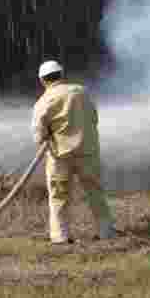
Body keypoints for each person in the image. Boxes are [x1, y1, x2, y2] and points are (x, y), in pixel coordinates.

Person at [31, 60, 116, 244]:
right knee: (95, 192)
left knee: (59, 196)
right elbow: (94, 117)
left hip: (60, 156)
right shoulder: (82, 92)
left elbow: (39, 137)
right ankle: (106, 232)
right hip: (87, 151)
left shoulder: (43, 102)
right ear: (62, 75)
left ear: (42, 80)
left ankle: (60, 236)